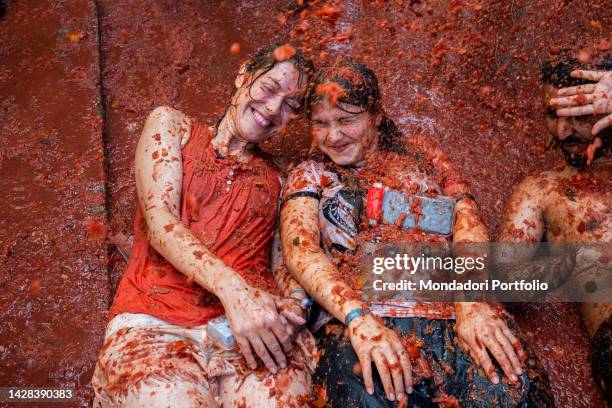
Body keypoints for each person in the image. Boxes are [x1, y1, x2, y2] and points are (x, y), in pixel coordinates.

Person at [280, 60, 552, 407]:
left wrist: (473, 304)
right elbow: (300, 250)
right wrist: (358, 318)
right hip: (366, 322)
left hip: (456, 314)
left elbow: (466, 221)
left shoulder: (422, 154)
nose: (333, 136)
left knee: (518, 388)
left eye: (347, 120)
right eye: (321, 124)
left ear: (376, 116)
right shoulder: (310, 172)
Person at [92, 44, 318, 407]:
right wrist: (235, 292)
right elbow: (160, 221)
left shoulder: (280, 176)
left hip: (251, 330)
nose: (275, 108)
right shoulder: (172, 126)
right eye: (269, 88)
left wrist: (294, 308)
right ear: (244, 74)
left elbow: (284, 264)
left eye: (291, 105)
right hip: (156, 321)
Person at [498, 53, 611, 402]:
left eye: (575, 113)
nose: (562, 131)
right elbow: (505, 284)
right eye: (552, 114)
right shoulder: (544, 188)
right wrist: (572, 262)